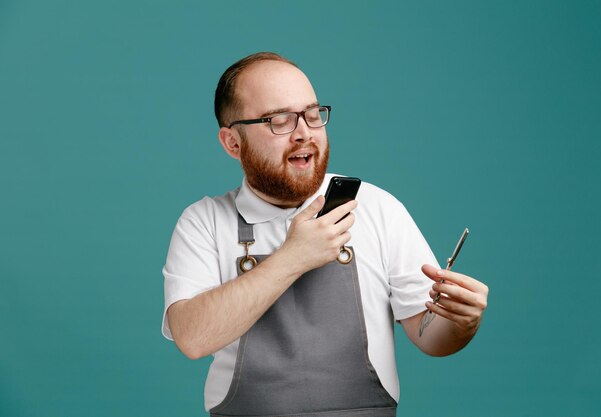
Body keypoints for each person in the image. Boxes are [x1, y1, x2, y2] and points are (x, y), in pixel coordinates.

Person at [162, 52, 489, 417]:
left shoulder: (377, 208)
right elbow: (192, 338)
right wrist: (293, 257)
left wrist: (461, 322)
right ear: (232, 143)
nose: (304, 133)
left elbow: (430, 336)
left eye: (313, 115)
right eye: (280, 120)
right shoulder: (204, 222)